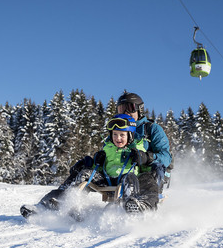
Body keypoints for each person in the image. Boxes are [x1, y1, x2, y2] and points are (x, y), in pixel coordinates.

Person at [20, 90, 172, 217]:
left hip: (141, 171)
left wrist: (148, 158)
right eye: (121, 109)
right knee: (84, 170)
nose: (126, 112)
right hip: (113, 173)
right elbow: (109, 153)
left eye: (130, 108)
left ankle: (142, 205)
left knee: (153, 171)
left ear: (139, 109)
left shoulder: (150, 129)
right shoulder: (115, 128)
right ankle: (60, 202)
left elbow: (166, 156)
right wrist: (92, 161)